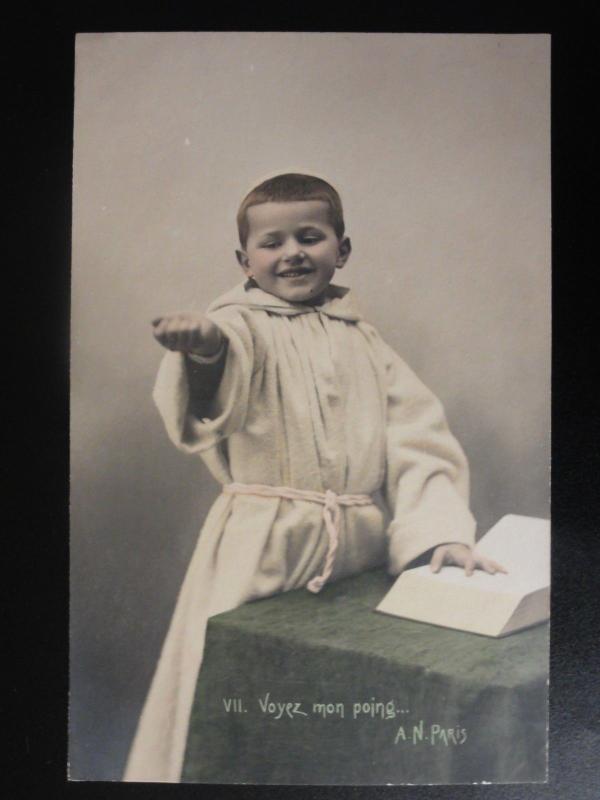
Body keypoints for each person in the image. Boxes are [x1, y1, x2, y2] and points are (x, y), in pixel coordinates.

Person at [123, 173, 505, 783]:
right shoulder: (241, 325)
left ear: (342, 249)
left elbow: (419, 440)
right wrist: (204, 350)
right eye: (272, 243)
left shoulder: (366, 342)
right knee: (239, 687)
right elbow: (225, 377)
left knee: (339, 695)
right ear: (245, 261)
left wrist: (437, 535)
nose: (293, 252)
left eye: (310, 236)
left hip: (355, 544)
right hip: (262, 545)